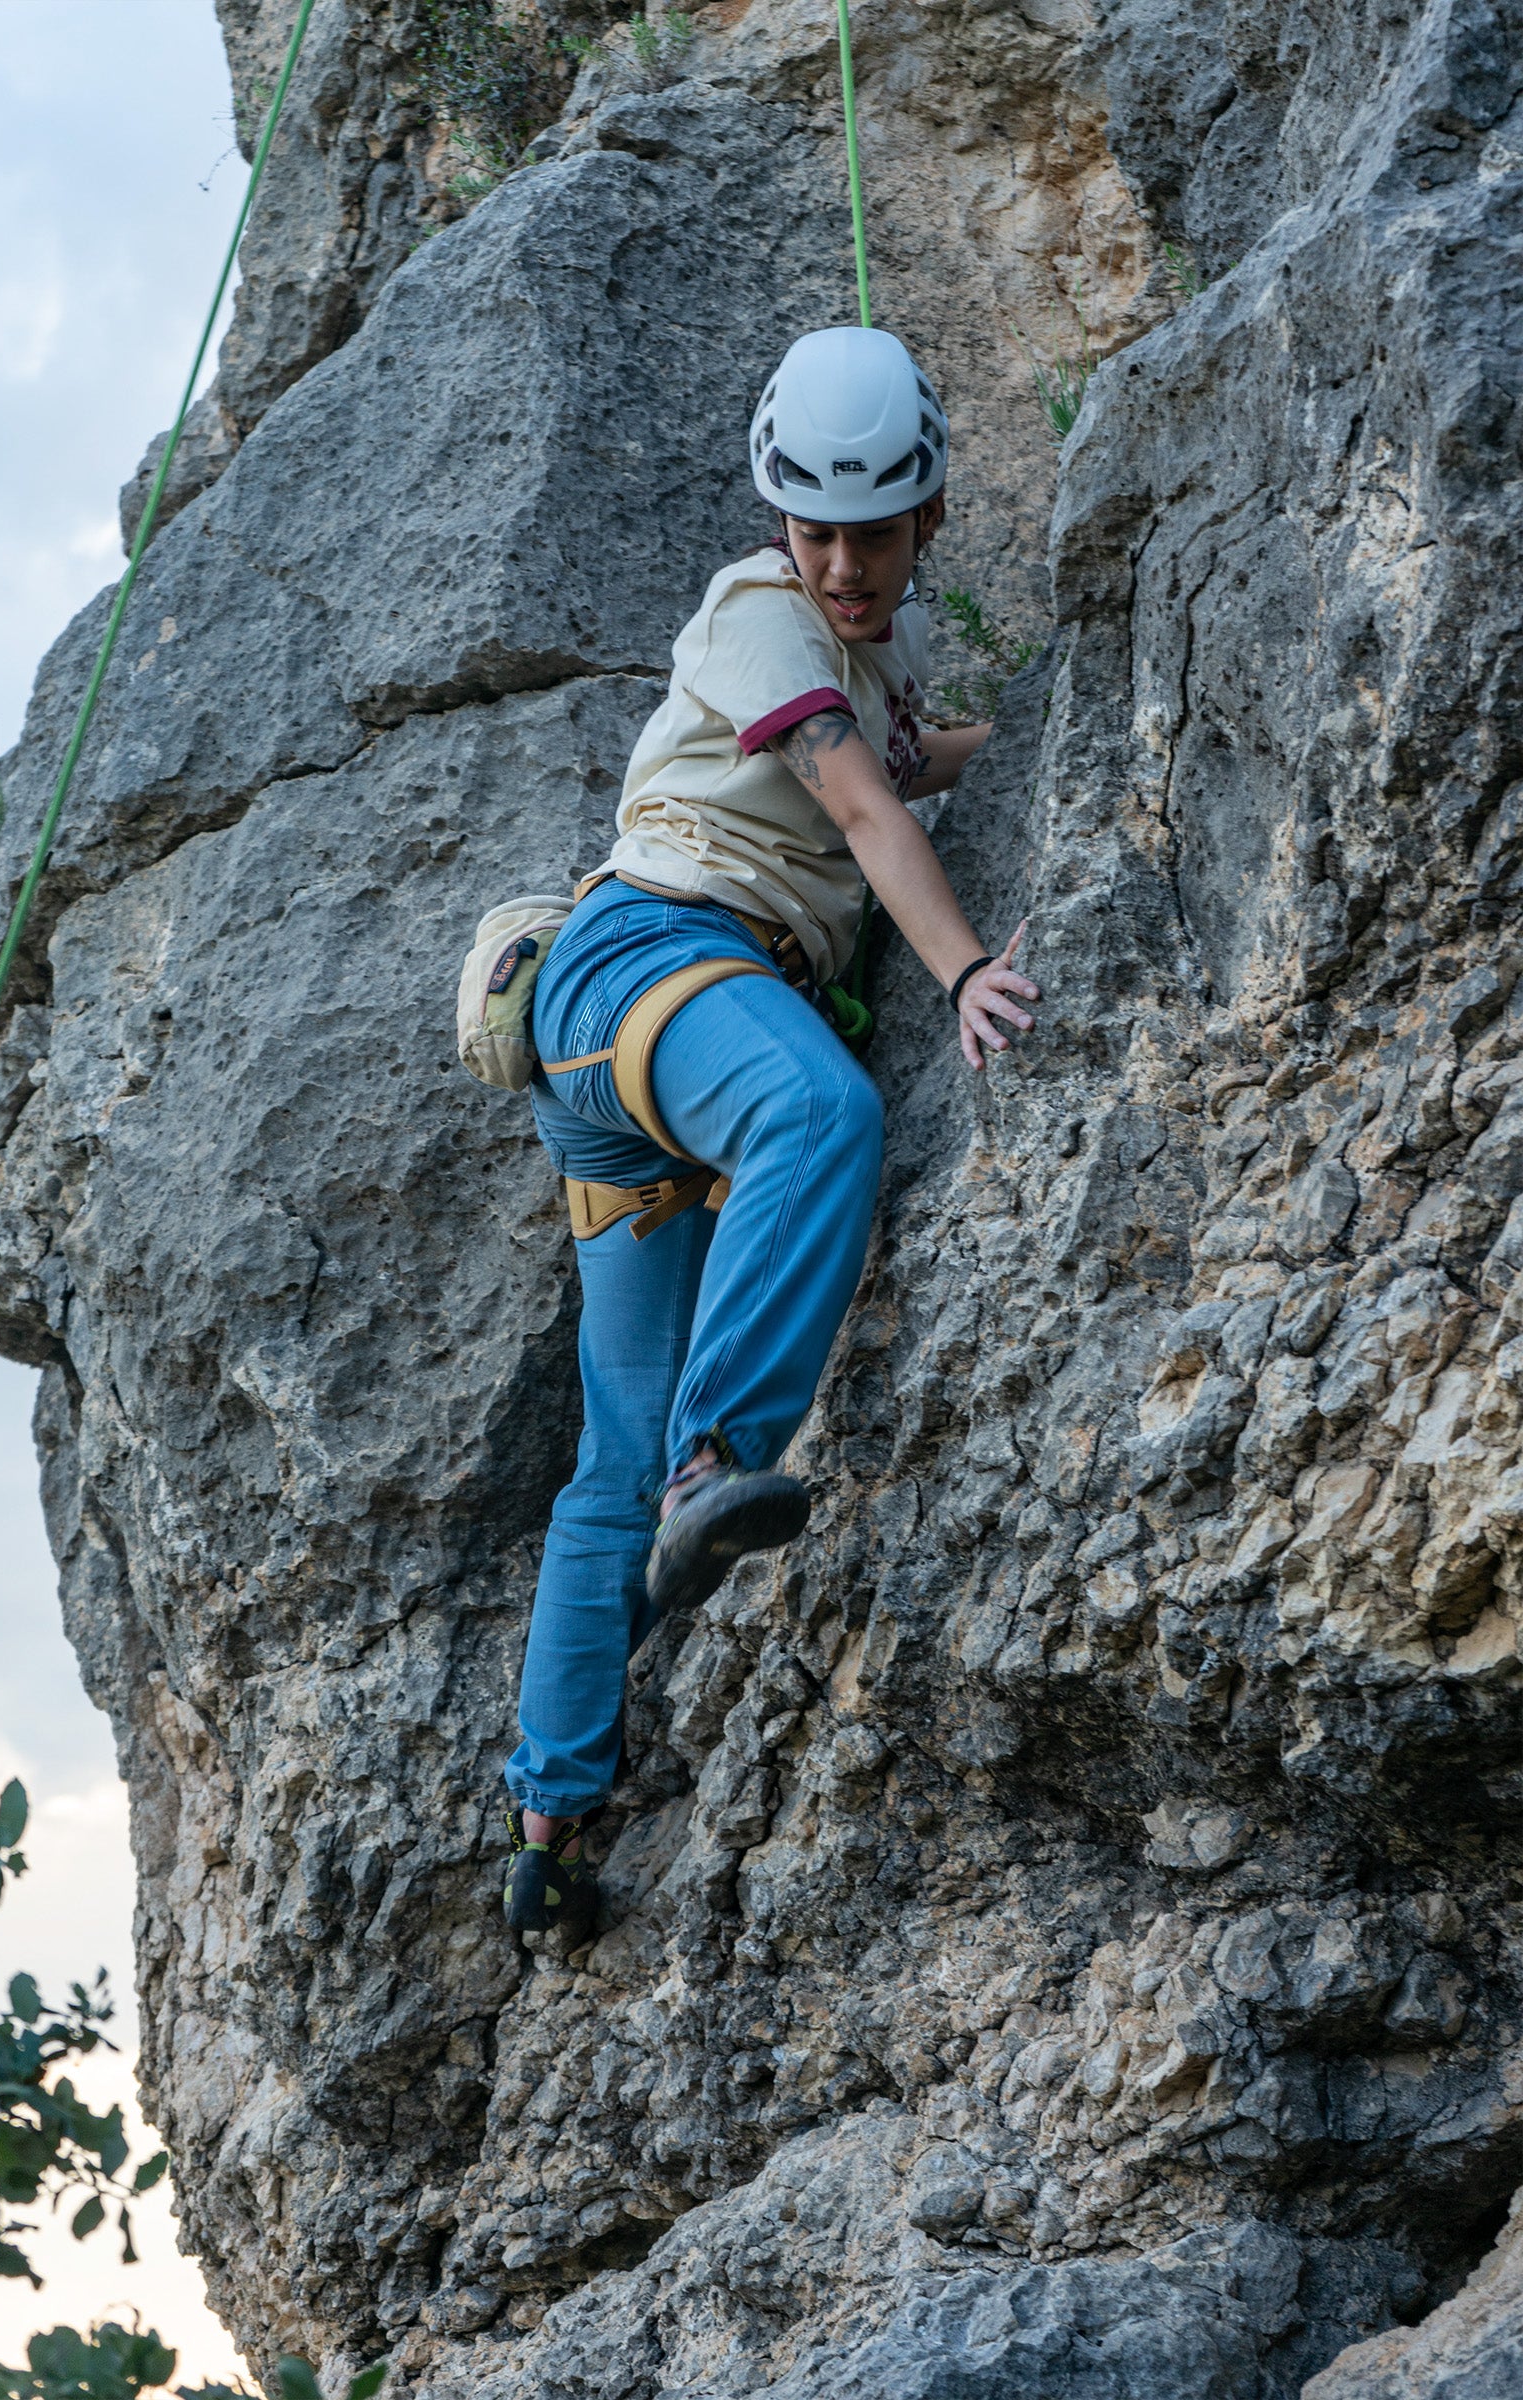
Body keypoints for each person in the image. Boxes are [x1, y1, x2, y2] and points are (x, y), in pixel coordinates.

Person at [501, 325, 1042, 1935]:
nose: (847, 561)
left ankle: (550, 1822)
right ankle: (723, 1459)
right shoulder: (757, 609)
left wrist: (1020, 729)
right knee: (818, 1113)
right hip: (649, 967)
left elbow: (906, 759)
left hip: (625, 1077)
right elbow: (863, 806)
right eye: (819, 529)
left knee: (604, 1459)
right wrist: (962, 972)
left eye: (876, 531)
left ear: (928, 519)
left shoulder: (863, 664)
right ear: (780, 520)